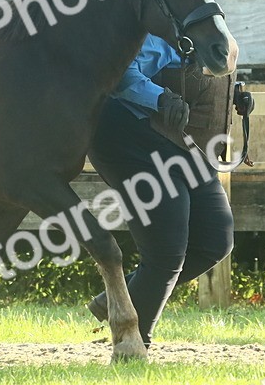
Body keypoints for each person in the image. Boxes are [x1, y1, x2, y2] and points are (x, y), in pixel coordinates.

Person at [85, 32, 235, 347]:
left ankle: (116, 297)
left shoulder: (208, 28)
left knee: (214, 240)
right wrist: (160, 98)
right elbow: (120, 75)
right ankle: (132, 343)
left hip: (183, 143)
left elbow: (208, 73)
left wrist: (234, 97)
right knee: (166, 252)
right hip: (131, 138)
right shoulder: (157, 32)